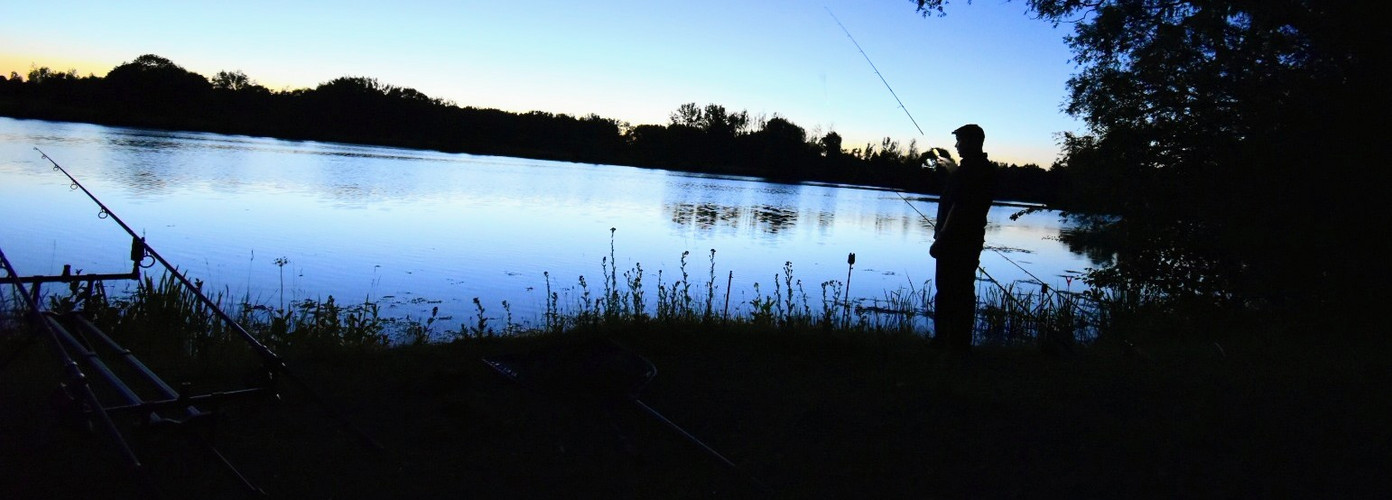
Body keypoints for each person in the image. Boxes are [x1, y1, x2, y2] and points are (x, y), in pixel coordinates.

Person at [929, 124, 995, 352]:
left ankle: (944, 342)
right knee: (964, 291)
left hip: (954, 243)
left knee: (947, 292)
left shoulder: (970, 173)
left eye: (959, 141)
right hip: (970, 242)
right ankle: (959, 343)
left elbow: (958, 207)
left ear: (971, 142)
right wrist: (950, 168)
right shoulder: (980, 170)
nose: (956, 145)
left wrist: (941, 239)